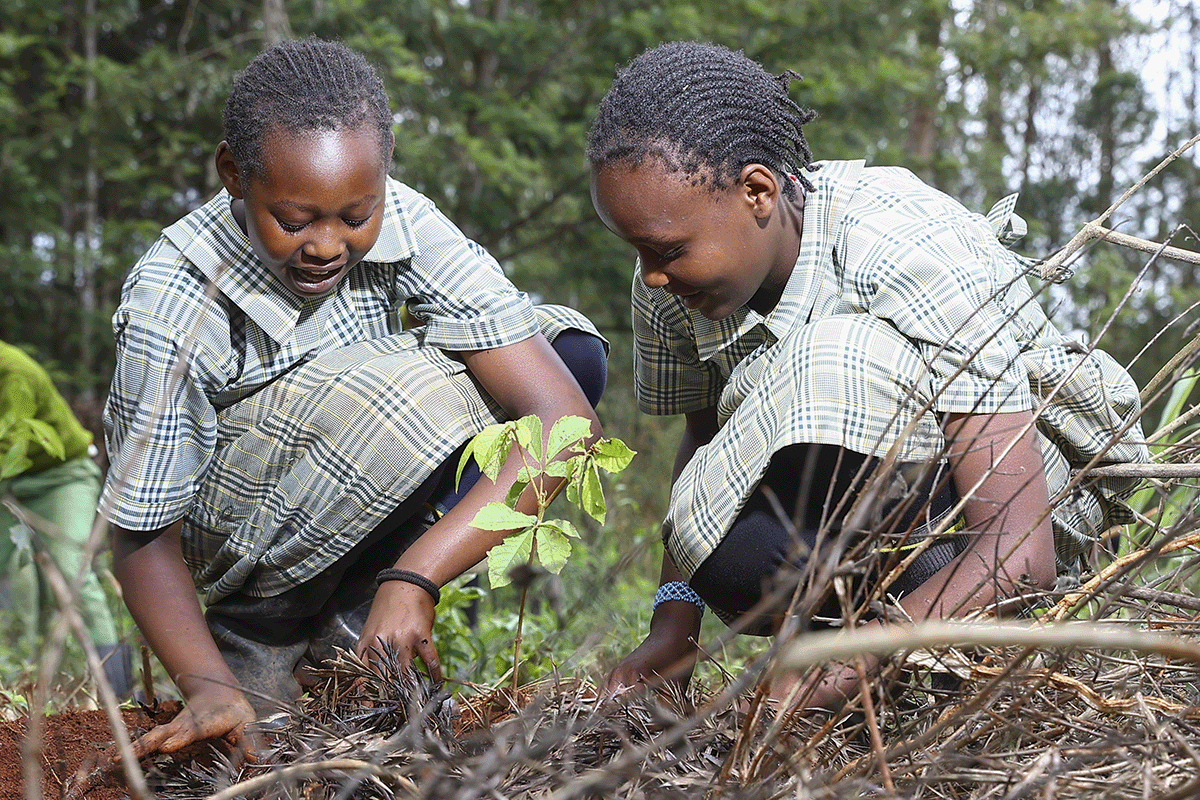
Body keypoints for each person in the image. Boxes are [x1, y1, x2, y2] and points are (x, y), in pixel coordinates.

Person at [586, 41, 1148, 711]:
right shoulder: (671, 282)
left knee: (836, 359)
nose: (651, 274)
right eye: (638, 250)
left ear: (759, 191)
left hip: (1017, 506)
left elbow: (1020, 556)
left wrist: (838, 672)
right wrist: (672, 626)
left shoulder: (902, 248)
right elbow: (709, 451)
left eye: (667, 251)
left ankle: (921, 658)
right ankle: (879, 650)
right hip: (878, 520)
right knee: (727, 525)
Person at [100, 36, 606, 756]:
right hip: (242, 536)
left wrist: (417, 577)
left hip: (353, 487)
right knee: (420, 397)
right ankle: (259, 632)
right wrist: (208, 685)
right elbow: (142, 537)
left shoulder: (403, 216)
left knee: (566, 354)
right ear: (233, 176)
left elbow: (567, 422)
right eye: (296, 219)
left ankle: (355, 619)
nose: (327, 245)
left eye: (355, 216)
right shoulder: (173, 304)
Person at [0, 340, 133, 697]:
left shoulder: (12, 369)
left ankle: (119, 692)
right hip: (9, 481)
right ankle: (17, 688)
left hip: (62, 476)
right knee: (13, 582)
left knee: (71, 572)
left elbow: (14, 439)